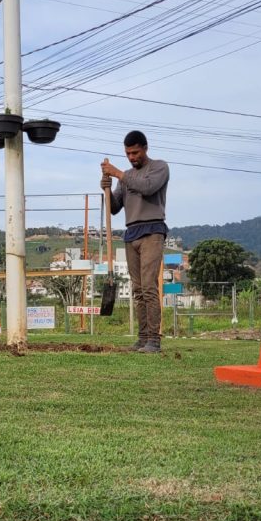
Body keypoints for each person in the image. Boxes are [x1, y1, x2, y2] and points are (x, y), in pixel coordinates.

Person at [101, 130, 170, 354]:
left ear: (145, 148)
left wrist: (119, 174)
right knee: (138, 289)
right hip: (132, 233)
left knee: (149, 286)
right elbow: (113, 209)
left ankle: (154, 340)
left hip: (152, 231)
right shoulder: (126, 177)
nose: (132, 157)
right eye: (128, 153)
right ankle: (142, 339)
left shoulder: (159, 167)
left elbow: (147, 187)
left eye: (135, 152)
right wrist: (107, 189)